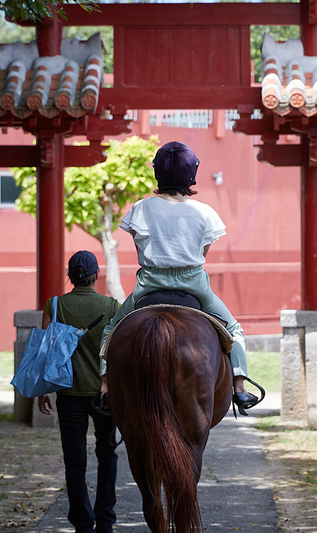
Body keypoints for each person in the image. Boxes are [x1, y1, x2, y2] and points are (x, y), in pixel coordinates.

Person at [98, 141, 257, 411]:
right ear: (191, 174)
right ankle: (239, 387)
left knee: (111, 330)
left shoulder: (140, 208)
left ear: (157, 173)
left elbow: (138, 242)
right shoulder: (205, 212)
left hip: (148, 286)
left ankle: (105, 388)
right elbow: (202, 251)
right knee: (233, 329)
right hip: (194, 285)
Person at [37, 250, 122, 533]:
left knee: (75, 461)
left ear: (70, 277)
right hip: (103, 394)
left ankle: (83, 524)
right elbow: (117, 353)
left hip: (68, 394)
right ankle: (105, 522)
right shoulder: (111, 306)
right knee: (107, 453)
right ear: (96, 275)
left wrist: (43, 390)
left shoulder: (55, 305)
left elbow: (46, 352)